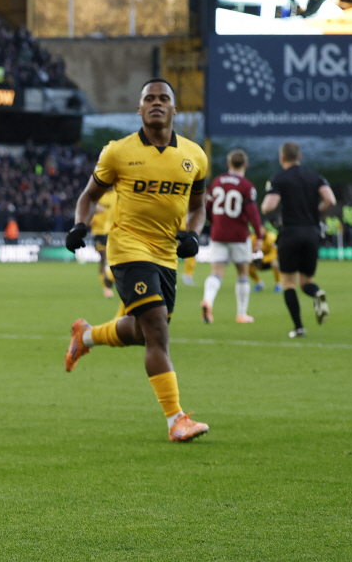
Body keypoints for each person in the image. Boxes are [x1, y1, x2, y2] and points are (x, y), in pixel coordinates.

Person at [62, 79, 210, 442]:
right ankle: (176, 419)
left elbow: (198, 207)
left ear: (175, 109)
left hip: (165, 254)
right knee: (158, 329)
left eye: (164, 98)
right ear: (140, 110)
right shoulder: (118, 152)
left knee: (144, 332)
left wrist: (193, 233)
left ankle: (87, 335)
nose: (156, 103)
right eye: (149, 99)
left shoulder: (195, 157)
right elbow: (89, 194)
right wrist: (80, 224)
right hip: (127, 249)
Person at [261, 141, 336, 338]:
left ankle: (299, 327)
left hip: (291, 233)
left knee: (288, 283)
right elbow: (330, 200)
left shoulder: (280, 178)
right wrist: (315, 212)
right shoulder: (315, 176)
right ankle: (317, 293)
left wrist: (265, 206)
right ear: (300, 156)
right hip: (312, 233)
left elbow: (269, 206)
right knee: (306, 282)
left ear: (282, 158)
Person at [201, 149, 264, 324]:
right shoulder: (246, 186)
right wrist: (258, 235)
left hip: (218, 233)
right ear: (246, 165)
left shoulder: (217, 181)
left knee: (216, 273)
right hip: (239, 235)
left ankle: (208, 301)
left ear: (228, 164)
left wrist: (214, 223)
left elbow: (207, 208)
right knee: (243, 273)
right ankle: (241, 314)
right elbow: (253, 212)